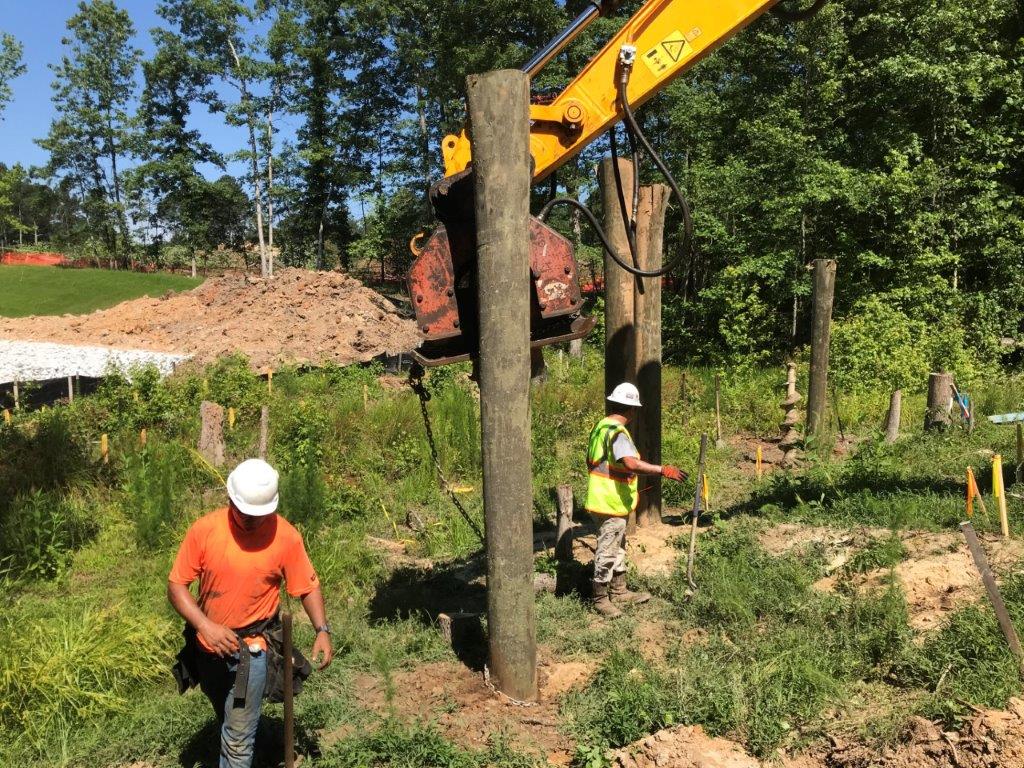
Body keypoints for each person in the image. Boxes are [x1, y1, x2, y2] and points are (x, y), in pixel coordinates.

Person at [167, 458, 333, 768]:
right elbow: (177, 586)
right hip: (208, 648)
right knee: (226, 716)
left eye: (259, 516)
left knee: (237, 739)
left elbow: (307, 587)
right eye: (244, 514)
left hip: (252, 650)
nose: (251, 522)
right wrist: (205, 626)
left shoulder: (285, 536)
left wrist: (322, 630)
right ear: (230, 499)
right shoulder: (204, 531)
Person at [584, 382, 687, 618]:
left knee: (617, 545)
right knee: (608, 549)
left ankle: (619, 591)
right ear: (632, 409)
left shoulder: (602, 426)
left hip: (602, 498)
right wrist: (662, 470)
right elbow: (630, 463)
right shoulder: (618, 433)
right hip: (610, 500)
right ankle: (600, 599)